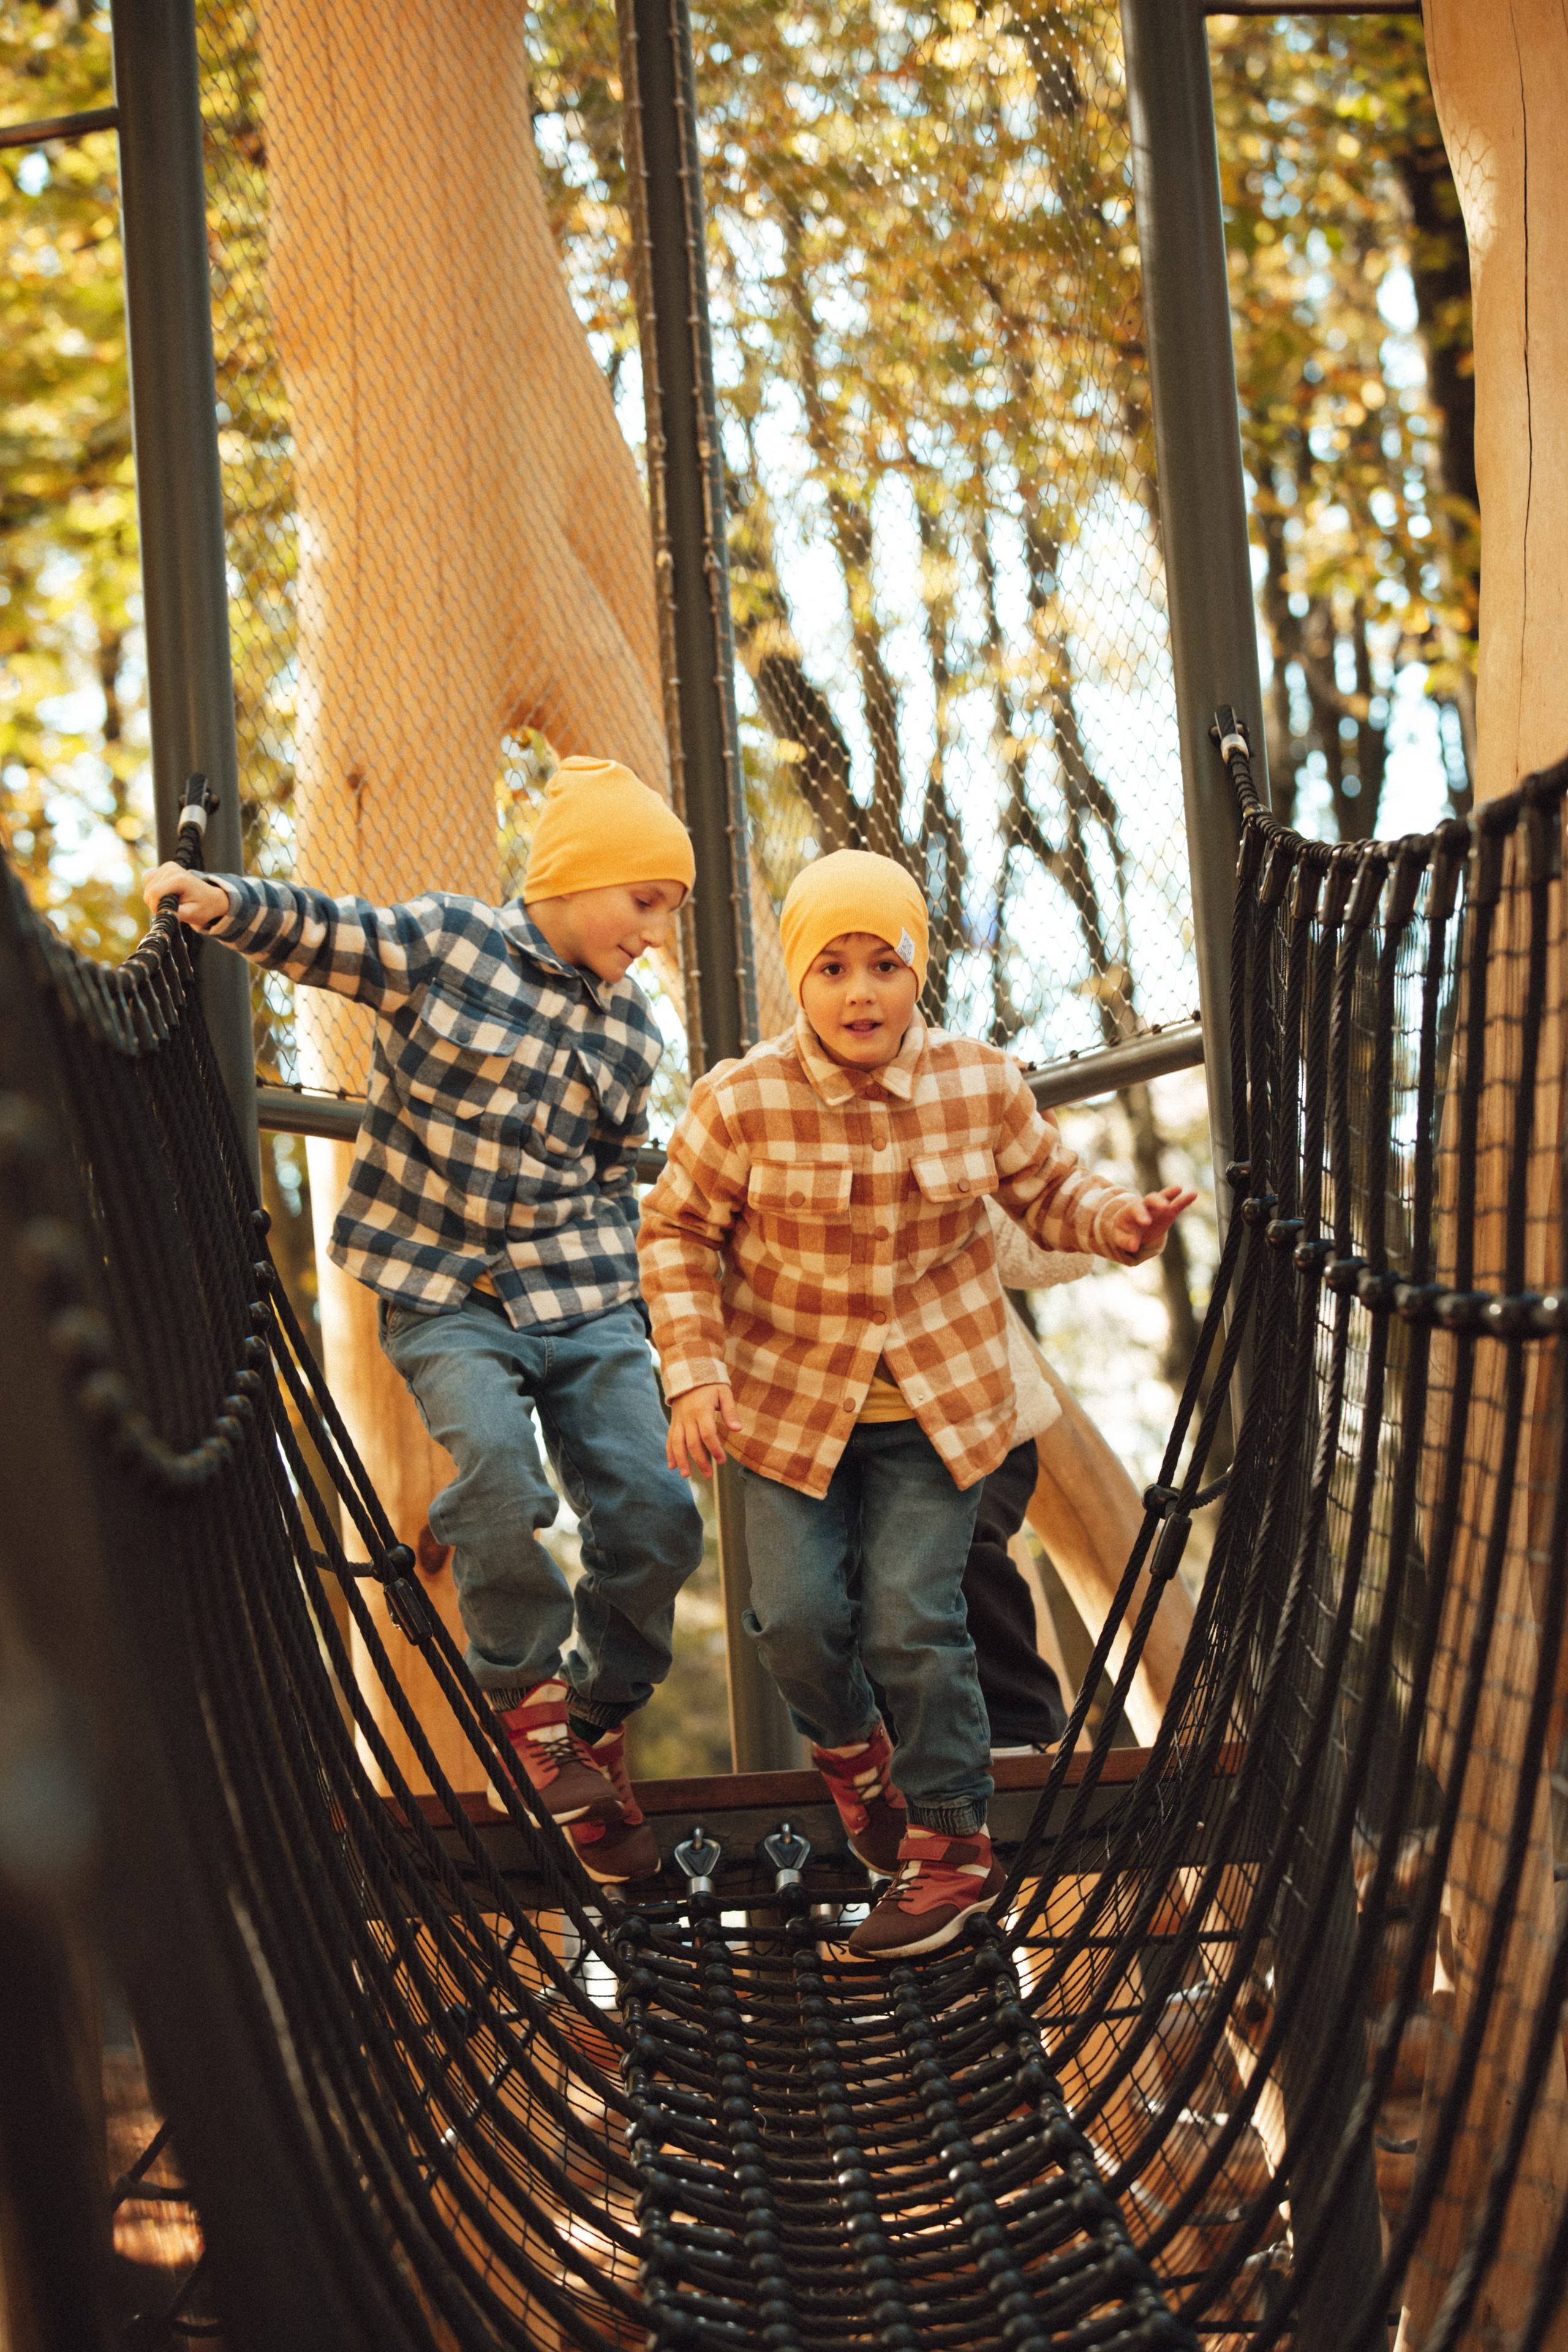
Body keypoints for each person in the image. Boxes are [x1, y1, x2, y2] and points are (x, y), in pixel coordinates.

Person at [141, 756, 706, 1885]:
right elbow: (328, 934)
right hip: (443, 1288)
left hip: (583, 1298)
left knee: (657, 1513)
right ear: (580, 875)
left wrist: (640, 1308)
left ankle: (591, 1723)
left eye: (673, 913)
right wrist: (221, 904)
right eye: (648, 901)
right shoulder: (449, 945)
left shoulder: (634, 1036)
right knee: (499, 1477)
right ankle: (531, 1710)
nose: (657, 932)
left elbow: (607, 1172)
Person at [638, 848, 1193, 1959]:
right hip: (789, 1416)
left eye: (884, 964)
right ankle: (856, 1760)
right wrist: (693, 1372)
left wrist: (1116, 1225)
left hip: (940, 1416)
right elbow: (675, 1232)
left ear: (917, 972)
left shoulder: (976, 1082)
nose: (860, 992)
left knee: (913, 1618)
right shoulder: (740, 1104)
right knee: (793, 1621)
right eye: (833, 967)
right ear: (797, 980)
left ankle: (948, 1848)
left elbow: (1048, 1186)